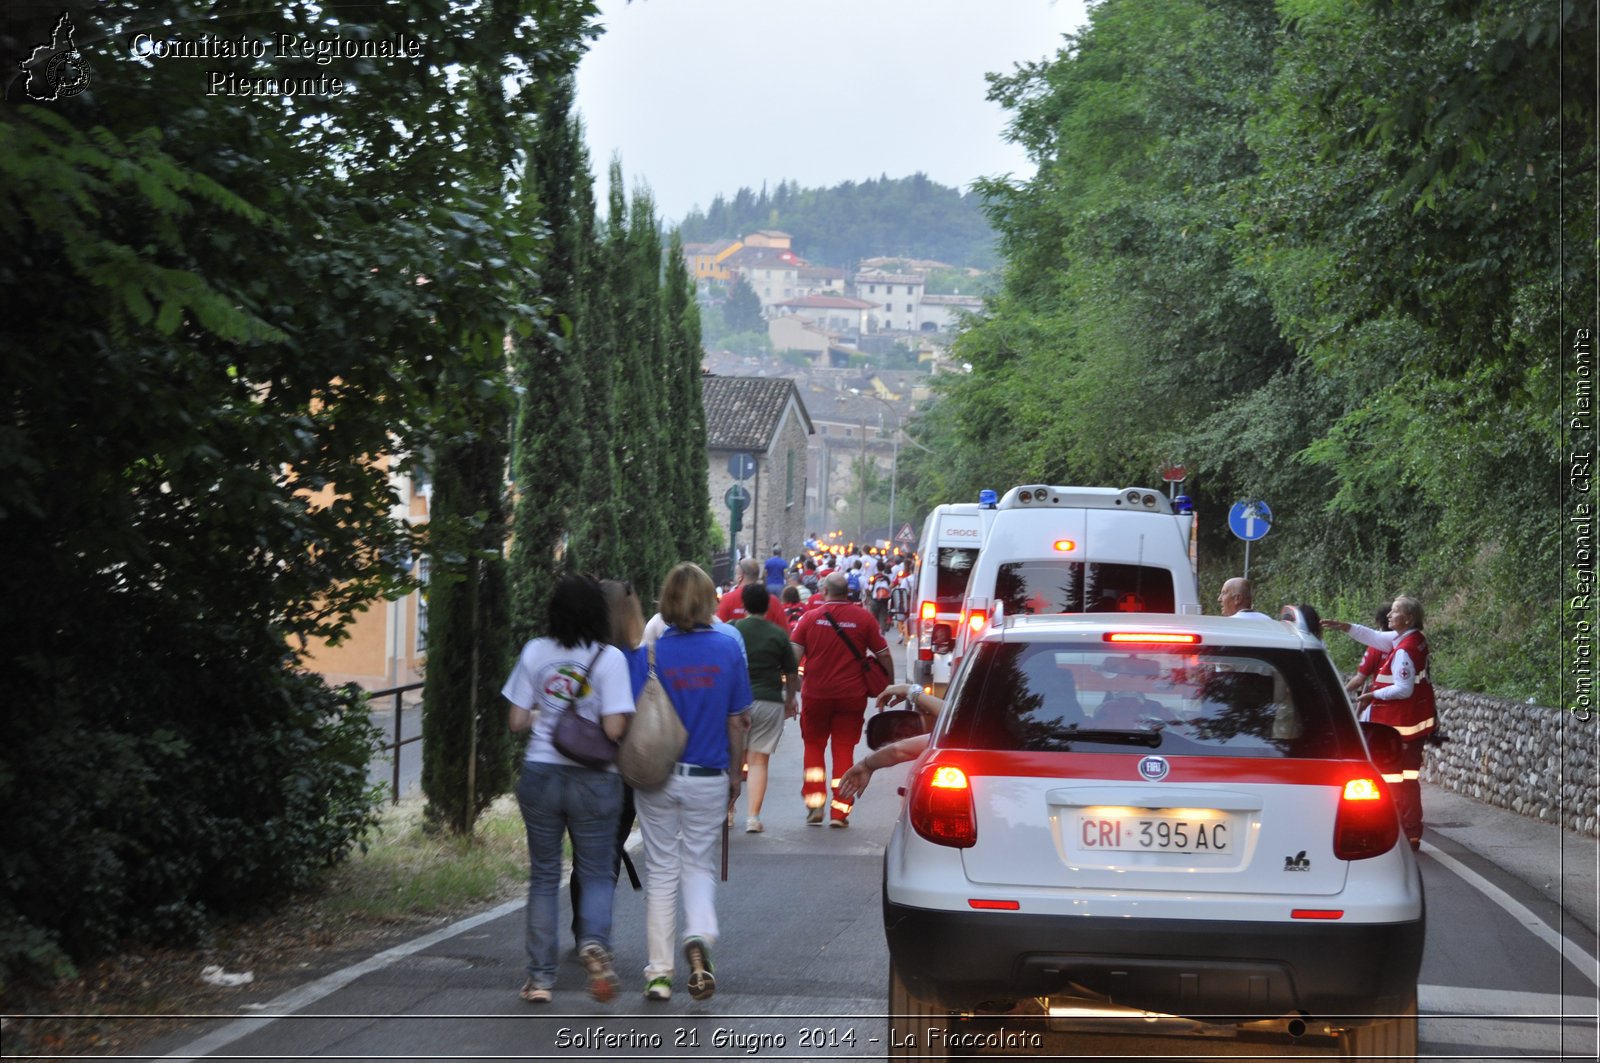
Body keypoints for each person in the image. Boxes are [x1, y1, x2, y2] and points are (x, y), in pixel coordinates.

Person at [502, 574, 635, 1005]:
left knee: (543, 876)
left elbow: (516, 721)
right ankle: (594, 943)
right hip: (596, 778)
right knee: (596, 870)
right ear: (599, 613)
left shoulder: (535, 651)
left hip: (541, 774)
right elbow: (615, 727)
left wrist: (550, 718)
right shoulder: (610, 658)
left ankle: (540, 979)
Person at [635, 562, 752, 1002]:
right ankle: (698, 933)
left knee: (661, 869)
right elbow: (738, 721)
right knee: (698, 863)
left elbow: (634, 716)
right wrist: (736, 775)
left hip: (657, 777)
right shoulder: (727, 649)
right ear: (709, 601)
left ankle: (658, 974)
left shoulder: (650, 652)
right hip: (708, 774)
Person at [568, 579, 650, 944]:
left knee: (584, 851)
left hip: (573, 764)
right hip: (619, 768)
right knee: (609, 848)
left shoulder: (570, 653)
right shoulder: (637, 658)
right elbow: (632, 714)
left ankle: (582, 923)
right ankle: (594, 928)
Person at [1323, 596, 1437, 850]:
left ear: (1407, 618)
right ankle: (1410, 833)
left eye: (1394, 612)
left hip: (1399, 728)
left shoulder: (1404, 649)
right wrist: (1345, 626)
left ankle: (1402, 833)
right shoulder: (1410, 639)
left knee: (1397, 781)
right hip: (1408, 725)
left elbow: (1404, 689)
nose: (1389, 615)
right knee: (1405, 780)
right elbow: (1374, 637)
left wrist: (1374, 694)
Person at [789, 571, 892, 827]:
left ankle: (814, 804)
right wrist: (889, 684)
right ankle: (840, 810)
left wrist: (791, 690)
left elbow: (793, 656)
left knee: (814, 747)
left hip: (816, 695)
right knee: (843, 749)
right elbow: (884, 654)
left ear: (824, 591)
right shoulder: (864, 619)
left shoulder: (810, 618)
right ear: (848, 593)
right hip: (851, 696)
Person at [731, 583, 799, 833]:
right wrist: (790, 699)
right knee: (759, 761)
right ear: (768, 606)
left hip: (737, 703)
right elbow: (791, 673)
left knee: (734, 759)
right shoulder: (778, 634)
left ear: (744, 605)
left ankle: (728, 812)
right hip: (770, 701)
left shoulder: (733, 628)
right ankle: (753, 817)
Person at [836, 683, 942, 802]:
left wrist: (866, 765)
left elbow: (898, 750)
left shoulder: (957, 731)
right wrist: (909, 691)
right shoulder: (964, 728)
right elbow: (952, 714)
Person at [715, 556, 788, 628]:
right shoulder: (773, 601)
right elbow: (785, 633)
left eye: (736, 574)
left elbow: (719, 628)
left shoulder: (727, 599)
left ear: (740, 576)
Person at [1344, 603, 1393, 697]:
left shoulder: (1375, 647)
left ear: (1378, 621)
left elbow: (1359, 679)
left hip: (1382, 699)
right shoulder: (1405, 640)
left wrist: (1343, 691)